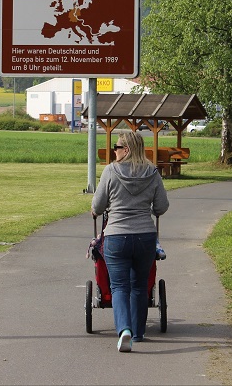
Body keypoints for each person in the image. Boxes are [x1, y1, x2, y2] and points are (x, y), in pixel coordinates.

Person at [91, 131, 169, 352]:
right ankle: (139, 332)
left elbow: (97, 206)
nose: (113, 151)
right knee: (139, 285)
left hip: (116, 236)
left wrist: (97, 209)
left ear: (126, 150)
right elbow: (162, 206)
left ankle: (124, 330)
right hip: (145, 236)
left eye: (116, 147)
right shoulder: (152, 172)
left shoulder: (110, 171)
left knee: (119, 287)